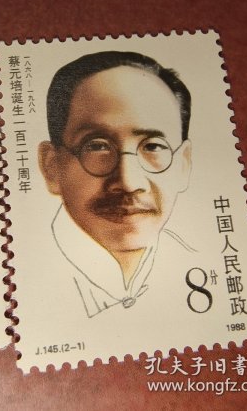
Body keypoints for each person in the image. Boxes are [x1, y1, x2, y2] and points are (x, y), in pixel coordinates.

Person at [38, 51, 194, 318]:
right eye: (97, 146)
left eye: (153, 147)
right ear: (52, 166)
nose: (128, 183)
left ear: (184, 164)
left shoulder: (197, 262)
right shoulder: (21, 278)